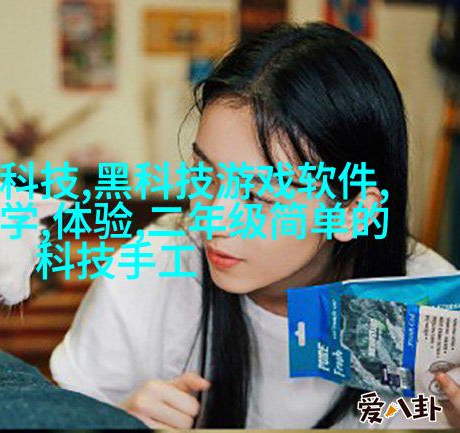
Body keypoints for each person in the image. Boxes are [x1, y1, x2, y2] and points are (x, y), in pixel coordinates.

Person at [50, 22, 460, 429]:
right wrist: (115, 423)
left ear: (354, 211)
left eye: (258, 196)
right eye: (206, 176)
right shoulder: (151, 273)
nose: (213, 218)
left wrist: (449, 420)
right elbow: (60, 416)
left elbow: (402, 413)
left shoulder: (435, 313)